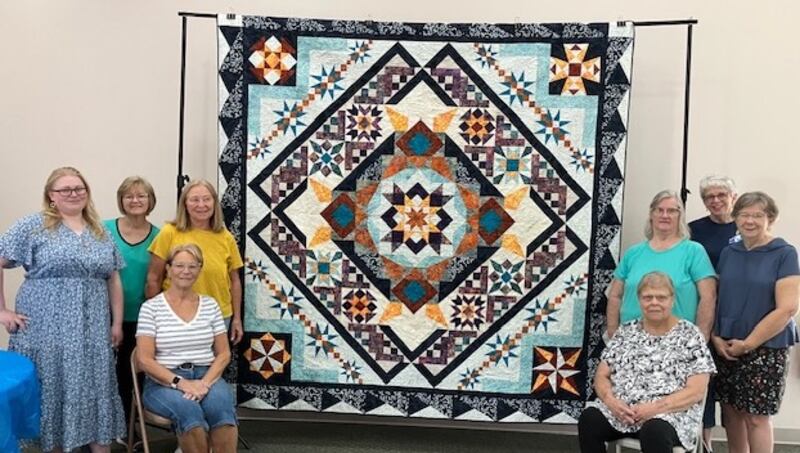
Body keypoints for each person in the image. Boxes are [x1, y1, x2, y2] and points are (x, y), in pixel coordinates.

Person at [0, 166, 125, 452]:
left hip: (92, 329)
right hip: (45, 328)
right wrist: (2, 311)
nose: (73, 193)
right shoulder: (32, 226)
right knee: (52, 387)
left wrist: (116, 323)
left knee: (94, 388)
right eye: (65, 189)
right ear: (51, 196)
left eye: (79, 188)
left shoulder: (100, 230)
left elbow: (113, 277)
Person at [579, 272, 716, 452]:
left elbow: (696, 390)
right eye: (647, 297)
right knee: (589, 418)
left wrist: (654, 408)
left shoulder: (690, 335)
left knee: (654, 430)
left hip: (670, 414)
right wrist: (612, 402)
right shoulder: (625, 332)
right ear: (639, 300)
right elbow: (602, 375)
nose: (654, 303)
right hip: (624, 412)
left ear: (672, 299)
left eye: (661, 297)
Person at [712, 192, 799, 453]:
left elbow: (788, 308)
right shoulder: (729, 252)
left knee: (757, 417)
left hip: (766, 346)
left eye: (757, 215)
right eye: (744, 214)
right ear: (735, 217)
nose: (749, 221)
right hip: (726, 345)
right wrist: (716, 336)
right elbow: (720, 297)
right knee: (731, 414)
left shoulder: (784, 253)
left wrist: (748, 344)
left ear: (770, 219)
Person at [136, 244, 238, 452]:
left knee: (223, 412)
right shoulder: (151, 308)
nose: (186, 271)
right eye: (180, 265)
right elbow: (145, 360)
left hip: (205, 375)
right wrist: (181, 383)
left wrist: (204, 384)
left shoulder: (210, 305)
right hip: (163, 382)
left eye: (192, 266)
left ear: (200, 269)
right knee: (188, 412)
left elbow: (224, 353)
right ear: (169, 269)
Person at [606, 190, 717, 339]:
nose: (665, 215)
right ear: (651, 215)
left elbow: (708, 298)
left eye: (671, 211)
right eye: (659, 210)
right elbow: (615, 296)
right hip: (631, 340)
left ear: (680, 216)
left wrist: (700, 339)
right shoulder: (633, 253)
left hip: (677, 341)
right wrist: (614, 335)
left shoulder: (693, 251)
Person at [145, 179, 244, 344]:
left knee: (214, 365)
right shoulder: (169, 232)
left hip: (218, 316)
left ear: (214, 203)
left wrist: (237, 319)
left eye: (206, 199)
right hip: (175, 314)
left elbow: (234, 281)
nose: (201, 205)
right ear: (184, 203)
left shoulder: (226, 237)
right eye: (194, 200)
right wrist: (154, 316)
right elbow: (154, 278)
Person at [104, 176, 159, 430]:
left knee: (129, 376)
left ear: (150, 201)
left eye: (141, 196)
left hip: (142, 318)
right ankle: (99, 427)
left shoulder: (160, 236)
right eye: (129, 196)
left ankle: (128, 429)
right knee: (102, 375)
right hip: (104, 315)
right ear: (121, 201)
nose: (135, 201)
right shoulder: (103, 230)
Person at [689, 175, 738, 452]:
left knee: (733, 393)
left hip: (738, 315)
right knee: (702, 379)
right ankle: (703, 443)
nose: (716, 201)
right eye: (709, 197)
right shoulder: (694, 229)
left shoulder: (746, 225)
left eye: (721, 195)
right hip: (706, 313)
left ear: (734, 196)